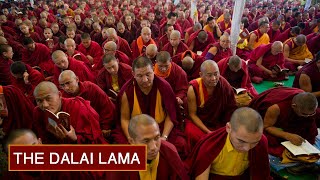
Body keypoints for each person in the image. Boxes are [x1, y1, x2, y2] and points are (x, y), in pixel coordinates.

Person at [115, 56, 188, 158]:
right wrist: (132, 140)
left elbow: (171, 116)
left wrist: (164, 137)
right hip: (137, 132)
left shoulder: (164, 87)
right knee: (123, 150)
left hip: (160, 129)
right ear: (133, 74)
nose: (145, 80)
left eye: (148, 74)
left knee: (179, 145)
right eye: (140, 76)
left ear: (153, 69)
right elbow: (124, 119)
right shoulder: (127, 91)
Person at [185, 107, 272, 180]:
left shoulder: (261, 142)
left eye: (254, 143)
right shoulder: (210, 145)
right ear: (228, 128)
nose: (247, 148)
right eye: (241, 141)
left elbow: (261, 175)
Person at [109, 114, 189, 179]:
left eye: (156, 138)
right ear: (132, 142)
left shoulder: (169, 151)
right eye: (146, 141)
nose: (154, 147)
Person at [249, 87, 318, 157]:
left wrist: (308, 115)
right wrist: (288, 136)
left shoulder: (306, 105)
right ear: (294, 106)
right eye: (304, 114)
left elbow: (309, 121)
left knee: (311, 131)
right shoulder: (276, 108)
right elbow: (267, 127)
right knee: (267, 140)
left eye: (311, 113)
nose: (308, 116)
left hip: (295, 117)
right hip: (268, 118)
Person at [32, 81, 107, 144]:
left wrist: (75, 139)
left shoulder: (77, 106)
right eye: (39, 101)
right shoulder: (38, 112)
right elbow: (44, 138)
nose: (45, 105)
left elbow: (94, 137)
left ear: (59, 95)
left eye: (48, 99)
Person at [185, 60, 237, 146]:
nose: (213, 78)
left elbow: (231, 108)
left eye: (216, 74)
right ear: (201, 75)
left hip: (219, 121)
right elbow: (193, 115)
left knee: (231, 133)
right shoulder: (194, 88)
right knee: (192, 134)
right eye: (209, 75)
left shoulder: (223, 84)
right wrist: (208, 132)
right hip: (199, 122)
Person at [58, 70, 115, 140]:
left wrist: (105, 126)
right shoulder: (64, 97)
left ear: (77, 79)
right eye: (62, 85)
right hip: (82, 132)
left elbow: (106, 106)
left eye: (68, 83)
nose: (66, 88)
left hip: (101, 124)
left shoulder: (91, 88)